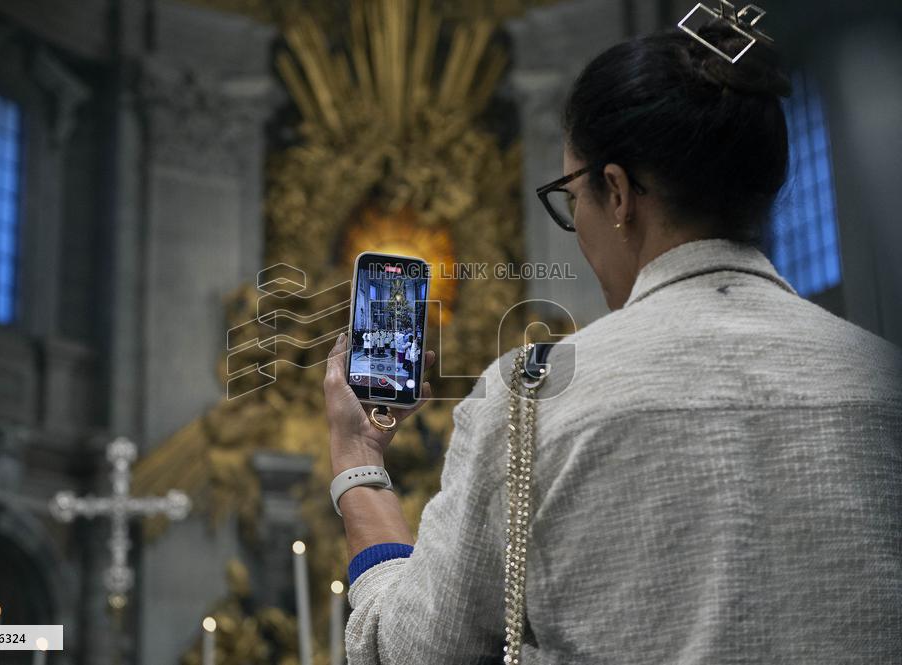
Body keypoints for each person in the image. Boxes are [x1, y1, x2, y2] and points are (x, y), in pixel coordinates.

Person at [322, 18, 902, 665]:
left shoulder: (532, 397)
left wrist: (358, 460)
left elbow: (409, 650)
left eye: (573, 198)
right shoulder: (885, 377)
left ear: (618, 193)